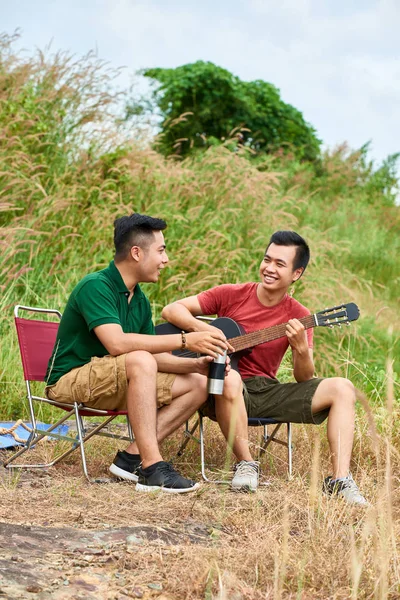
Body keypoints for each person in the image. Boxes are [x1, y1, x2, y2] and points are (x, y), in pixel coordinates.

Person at [162, 231, 368, 504]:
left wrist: (301, 350)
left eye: (279, 264)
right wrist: (207, 332)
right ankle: (246, 463)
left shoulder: (300, 315)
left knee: (343, 387)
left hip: (263, 392)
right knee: (232, 378)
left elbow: (303, 377)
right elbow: (171, 310)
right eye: (266, 260)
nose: (269, 268)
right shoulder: (231, 294)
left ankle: (340, 480)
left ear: (296, 273)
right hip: (213, 385)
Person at [45, 213, 231, 494]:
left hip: (117, 377)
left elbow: (150, 360)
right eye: (161, 250)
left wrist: (195, 366)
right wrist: (185, 340)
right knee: (140, 358)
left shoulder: (140, 300)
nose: (166, 259)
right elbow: (118, 345)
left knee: (197, 383)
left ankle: (131, 457)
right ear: (136, 252)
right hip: (70, 380)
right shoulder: (96, 286)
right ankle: (152, 467)